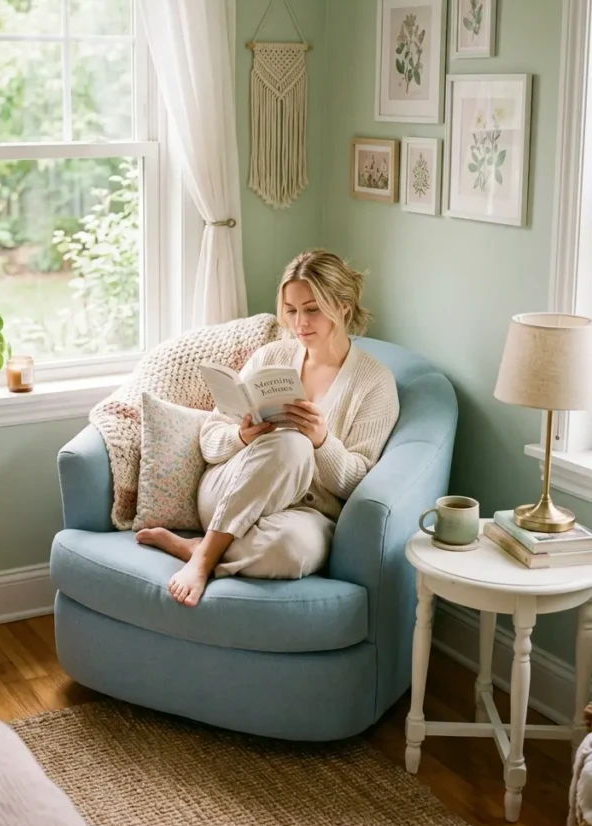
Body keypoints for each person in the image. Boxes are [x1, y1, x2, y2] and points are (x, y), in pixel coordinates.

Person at [136, 249, 400, 606]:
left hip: (303, 513)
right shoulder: (270, 357)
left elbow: (358, 483)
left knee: (292, 551)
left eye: (312, 309)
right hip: (230, 491)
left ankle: (199, 549)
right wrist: (241, 436)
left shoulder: (374, 383)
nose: (300, 323)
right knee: (291, 444)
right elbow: (210, 441)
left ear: (343, 308)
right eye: (291, 311)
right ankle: (203, 559)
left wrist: (323, 442)